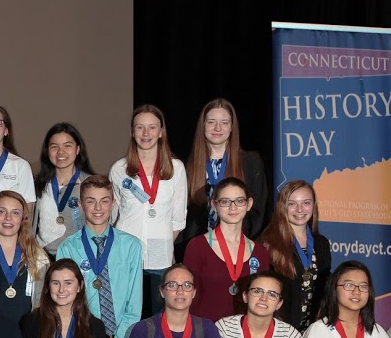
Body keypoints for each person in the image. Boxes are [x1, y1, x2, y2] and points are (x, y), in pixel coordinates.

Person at [55, 175, 144, 338]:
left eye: (104, 201)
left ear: (113, 203)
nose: (98, 208)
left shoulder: (131, 246)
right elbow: (65, 303)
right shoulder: (67, 248)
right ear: (80, 205)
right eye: (90, 201)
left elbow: (134, 308)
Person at [108, 105, 188, 318]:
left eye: (152, 128)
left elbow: (178, 219)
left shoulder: (176, 168)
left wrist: (159, 244)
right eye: (140, 128)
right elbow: (113, 215)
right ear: (132, 132)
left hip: (160, 254)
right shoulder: (119, 168)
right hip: (125, 252)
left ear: (161, 132)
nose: (146, 134)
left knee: (158, 315)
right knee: (127, 314)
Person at [183, 99, 270, 244]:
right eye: (211, 122)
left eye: (224, 122)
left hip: (238, 245)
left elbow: (258, 210)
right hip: (199, 246)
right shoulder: (188, 166)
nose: (218, 128)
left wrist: (240, 241)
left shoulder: (251, 162)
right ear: (203, 126)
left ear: (231, 127)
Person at [185, 178, 271, 322]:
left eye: (239, 201)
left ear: (249, 204)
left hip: (246, 335)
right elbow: (188, 297)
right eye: (225, 201)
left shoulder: (260, 252)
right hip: (208, 333)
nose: (233, 207)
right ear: (214, 205)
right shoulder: (197, 247)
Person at [259, 180, 332, 332]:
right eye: (292, 203)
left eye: (306, 203)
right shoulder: (267, 244)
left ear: (314, 206)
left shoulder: (321, 244)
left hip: (312, 331)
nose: (300, 209)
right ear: (282, 207)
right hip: (277, 330)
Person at [0, 190, 51, 313]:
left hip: (25, 330)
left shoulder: (38, 257)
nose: (8, 218)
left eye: (15, 213)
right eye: (2, 211)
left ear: (23, 219)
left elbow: (42, 302)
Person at [33, 122, 95, 251]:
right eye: (54, 147)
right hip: (43, 258)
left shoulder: (91, 185)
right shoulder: (37, 184)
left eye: (67, 146)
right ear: (47, 151)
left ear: (77, 149)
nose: (61, 152)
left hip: (78, 257)